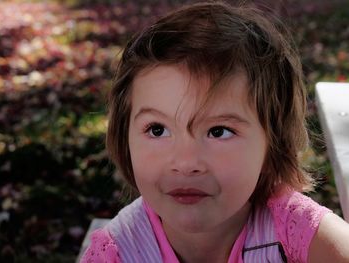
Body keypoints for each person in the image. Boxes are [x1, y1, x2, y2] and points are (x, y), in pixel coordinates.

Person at [80, 2, 349, 262]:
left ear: (272, 143)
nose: (186, 163)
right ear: (125, 139)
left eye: (218, 131)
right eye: (158, 129)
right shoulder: (116, 254)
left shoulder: (292, 231)